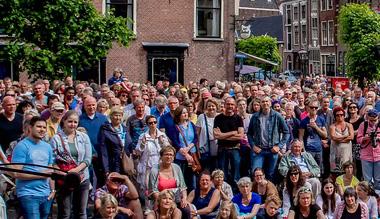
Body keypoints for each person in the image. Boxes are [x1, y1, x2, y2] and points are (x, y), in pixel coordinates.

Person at [50, 110, 92, 219]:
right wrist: (62, 173)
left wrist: (75, 170)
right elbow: (52, 160)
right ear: (64, 121)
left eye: (75, 122)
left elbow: (88, 159)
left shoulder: (83, 137)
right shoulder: (56, 139)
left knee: (81, 212)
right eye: (70, 121)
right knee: (65, 213)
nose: (72, 124)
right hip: (64, 179)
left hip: (82, 178)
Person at [11, 116, 55, 219]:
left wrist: (52, 190)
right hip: (28, 194)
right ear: (30, 128)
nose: (42, 130)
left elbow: (50, 170)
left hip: (46, 194)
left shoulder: (47, 147)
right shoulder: (22, 146)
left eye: (44, 127)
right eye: (39, 126)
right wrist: (41, 175)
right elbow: (16, 173)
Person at [247, 96, 290, 181]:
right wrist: (253, 146)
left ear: (270, 103)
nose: (265, 103)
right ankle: (257, 193)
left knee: (270, 173)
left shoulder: (277, 116)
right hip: (259, 150)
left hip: (272, 150)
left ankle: (269, 192)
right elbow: (249, 134)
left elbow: (286, 132)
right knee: (256, 172)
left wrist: (279, 146)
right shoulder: (255, 116)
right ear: (260, 104)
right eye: (263, 102)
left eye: (267, 101)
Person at [135, 115, 170, 205]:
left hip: (160, 165)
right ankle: (148, 208)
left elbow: (168, 150)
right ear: (147, 124)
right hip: (148, 166)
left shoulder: (162, 135)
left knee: (160, 186)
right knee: (148, 188)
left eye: (155, 122)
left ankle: (160, 206)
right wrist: (142, 143)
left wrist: (162, 142)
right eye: (150, 123)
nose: (153, 124)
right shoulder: (143, 136)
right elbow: (138, 152)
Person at [214, 97, 244, 185]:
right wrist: (233, 133)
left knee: (236, 174)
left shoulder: (238, 118)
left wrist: (222, 136)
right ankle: (223, 191)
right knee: (222, 174)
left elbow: (240, 136)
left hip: (235, 149)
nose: (230, 106)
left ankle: (235, 194)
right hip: (222, 149)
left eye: (232, 104)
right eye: (228, 104)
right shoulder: (218, 118)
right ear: (224, 105)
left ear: (234, 106)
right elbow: (216, 135)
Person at [79, 96, 108, 187]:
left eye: (93, 105)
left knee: (101, 177)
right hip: (86, 153)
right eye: (88, 105)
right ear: (84, 106)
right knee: (88, 176)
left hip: (100, 152)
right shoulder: (79, 119)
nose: (91, 107)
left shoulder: (103, 118)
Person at [148, 146, 189, 210]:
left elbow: (183, 187)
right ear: (161, 157)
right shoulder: (154, 170)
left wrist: (184, 198)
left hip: (176, 199)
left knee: (187, 209)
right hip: (160, 200)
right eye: (166, 154)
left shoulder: (177, 168)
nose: (169, 157)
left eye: (171, 155)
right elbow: (153, 191)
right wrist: (168, 201)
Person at [172, 105, 198, 191]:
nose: (185, 114)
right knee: (181, 181)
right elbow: (175, 141)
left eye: (186, 112)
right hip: (181, 157)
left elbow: (195, 138)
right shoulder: (175, 127)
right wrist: (185, 153)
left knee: (192, 181)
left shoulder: (191, 124)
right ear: (178, 115)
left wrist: (189, 147)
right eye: (183, 113)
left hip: (192, 156)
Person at [98, 106, 130, 176]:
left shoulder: (125, 129)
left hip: (125, 162)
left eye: (120, 115)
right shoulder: (105, 130)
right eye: (116, 115)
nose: (118, 118)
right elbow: (104, 151)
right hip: (113, 164)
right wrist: (106, 169)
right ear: (111, 116)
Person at [299, 99, 328, 168]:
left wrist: (316, 127)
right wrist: (303, 150)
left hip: (319, 150)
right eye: (312, 107)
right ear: (308, 108)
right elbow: (301, 136)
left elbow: (325, 135)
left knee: (318, 171)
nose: (314, 109)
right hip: (308, 150)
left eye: (316, 107)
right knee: (309, 169)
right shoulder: (303, 121)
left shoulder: (321, 119)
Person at [356, 108, 380, 191]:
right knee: (367, 180)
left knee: (378, 180)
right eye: (371, 120)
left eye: (375, 120)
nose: (373, 122)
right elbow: (358, 140)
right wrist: (366, 138)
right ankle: (369, 197)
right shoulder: (363, 125)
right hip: (366, 156)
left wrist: (377, 138)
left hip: (378, 156)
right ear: (367, 117)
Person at [196, 98, 219, 171]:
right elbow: (197, 134)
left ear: (216, 107)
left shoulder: (220, 117)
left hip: (218, 148)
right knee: (206, 170)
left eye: (213, 106)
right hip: (205, 149)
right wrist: (197, 149)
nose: (211, 108)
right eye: (209, 106)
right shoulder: (201, 117)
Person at [345, 102, 365, 179]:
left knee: (359, 164)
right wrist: (351, 133)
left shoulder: (361, 119)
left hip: (358, 145)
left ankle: (359, 179)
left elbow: (360, 131)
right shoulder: (346, 119)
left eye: (354, 107)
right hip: (348, 144)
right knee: (350, 164)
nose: (352, 109)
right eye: (350, 107)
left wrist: (350, 133)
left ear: (357, 109)